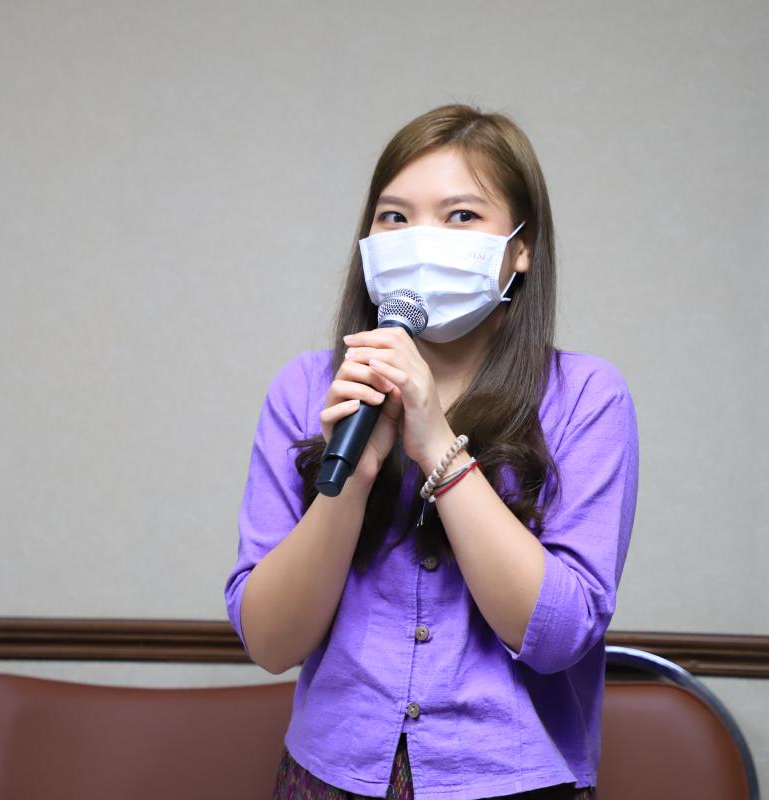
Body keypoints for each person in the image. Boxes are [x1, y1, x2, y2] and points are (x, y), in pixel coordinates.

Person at [224, 104, 639, 800]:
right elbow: (270, 642)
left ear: (521, 247)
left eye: (461, 215)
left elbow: (560, 635)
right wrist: (352, 478)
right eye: (394, 217)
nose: (420, 240)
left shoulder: (588, 396)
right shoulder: (306, 388)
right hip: (327, 775)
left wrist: (438, 446)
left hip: (512, 785)